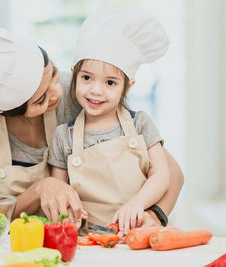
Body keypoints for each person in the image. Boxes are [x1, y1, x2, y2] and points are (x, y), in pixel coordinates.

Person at [0, 22, 183, 229]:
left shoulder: (83, 93)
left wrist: (155, 215)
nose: (58, 92)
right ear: (2, 111)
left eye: (53, 73)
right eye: (41, 99)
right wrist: (41, 189)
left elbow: (170, 173)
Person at [48, 10, 176, 233]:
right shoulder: (63, 135)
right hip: (89, 239)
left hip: (140, 232)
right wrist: (68, 213)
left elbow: (163, 176)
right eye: (86, 78)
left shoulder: (140, 124)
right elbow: (59, 189)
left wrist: (137, 204)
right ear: (74, 75)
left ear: (128, 86)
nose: (96, 90)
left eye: (110, 83)